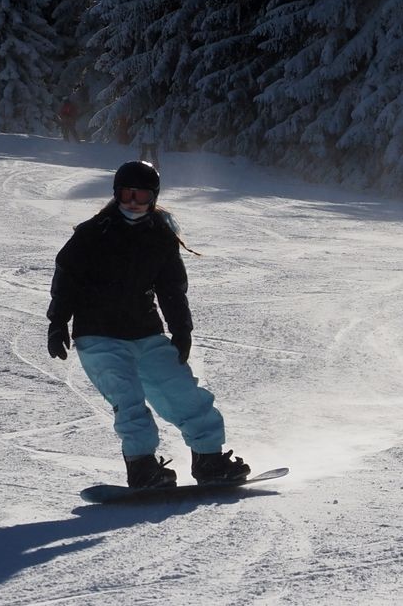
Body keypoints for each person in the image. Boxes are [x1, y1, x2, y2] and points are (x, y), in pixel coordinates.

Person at [46, 161, 251, 489]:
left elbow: (172, 288)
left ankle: (209, 459)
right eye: (126, 194)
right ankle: (142, 466)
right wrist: (57, 321)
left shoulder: (160, 236)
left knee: (182, 393)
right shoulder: (93, 233)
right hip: (98, 334)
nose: (132, 202)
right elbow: (66, 276)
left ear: (153, 198)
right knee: (127, 399)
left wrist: (182, 330)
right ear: (116, 194)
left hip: (145, 332)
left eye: (140, 195)